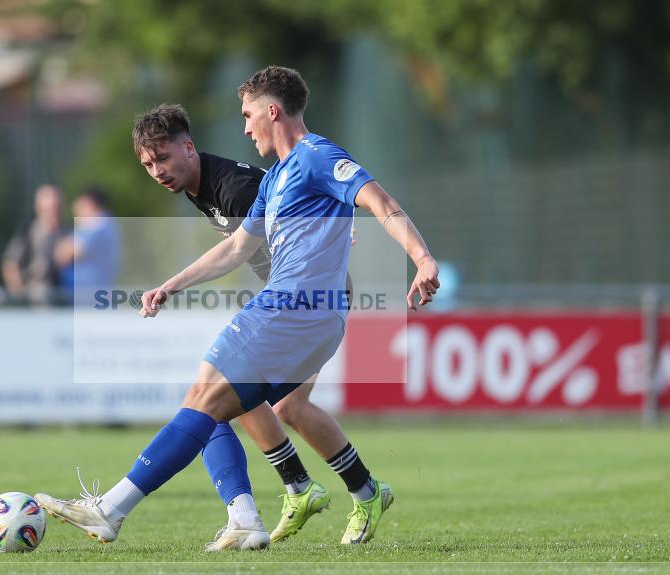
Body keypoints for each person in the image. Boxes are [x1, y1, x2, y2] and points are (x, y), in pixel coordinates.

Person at [36, 66, 439, 547]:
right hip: (308, 313)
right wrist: (171, 285)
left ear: (272, 111)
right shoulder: (274, 182)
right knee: (224, 408)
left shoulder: (315, 155)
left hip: (295, 305)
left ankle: (118, 509)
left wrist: (422, 257)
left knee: (205, 398)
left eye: (248, 115)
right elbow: (235, 249)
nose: (245, 127)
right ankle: (270, 510)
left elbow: (380, 201)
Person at [125, 103, 388, 544]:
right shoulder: (200, 189)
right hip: (296, 300)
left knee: (227, 393)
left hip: (310, 300)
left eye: (163, 158)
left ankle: (307, 488)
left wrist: (332, 228)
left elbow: (295, 212)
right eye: (149, 164)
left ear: (189, 148)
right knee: (283, 406)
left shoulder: (235, 187)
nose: (157, 171)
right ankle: (351, 490)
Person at [1, 184, 70, 304]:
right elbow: (10, 265)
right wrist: (20, 295)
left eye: (57, 207)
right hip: (37, 302)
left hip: (65, 301)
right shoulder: (27, 234)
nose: (54, 213)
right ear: (38, 208)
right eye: (50, 208)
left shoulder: (69, 234)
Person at [55, 187, 121, 292]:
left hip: (89, 293)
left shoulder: (98, 225)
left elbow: (66, 254)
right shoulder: (106, 223)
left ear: (89, 204)